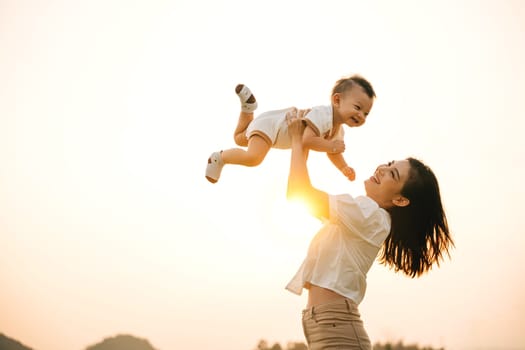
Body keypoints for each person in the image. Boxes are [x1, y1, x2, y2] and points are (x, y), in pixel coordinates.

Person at [284, 109, 454, 350]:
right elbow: (301, 196)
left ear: (400, 200)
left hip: (336, 328)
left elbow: (298, 192)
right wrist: (304, 142)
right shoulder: (362, 217)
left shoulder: (369, 215)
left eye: (392, 174)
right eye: (389, 164)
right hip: (325, 325)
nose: (382, 169)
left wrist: (297, 139)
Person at [205, 75, 376, 183]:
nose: (361, 115)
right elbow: (308, 140)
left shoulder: (338, 130)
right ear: (337, 100)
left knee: (239, 138)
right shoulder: (323, 115)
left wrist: (343, 167)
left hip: (272, 130)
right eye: (357, 107)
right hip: (274, 126)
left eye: (366, 113)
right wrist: (331, 146)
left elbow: (333, 152)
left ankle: (248, 108)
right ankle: (218, 158)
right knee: (253, 158)